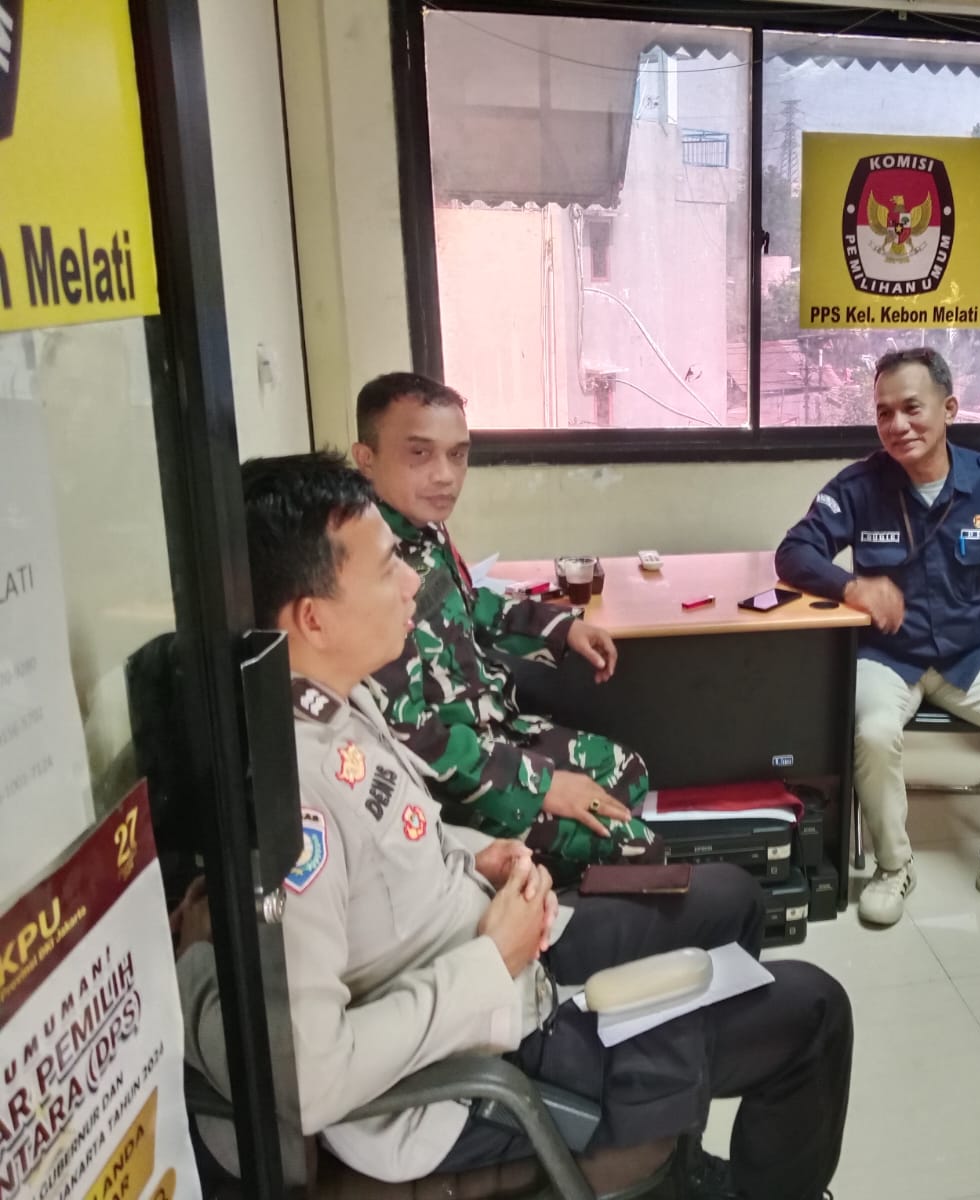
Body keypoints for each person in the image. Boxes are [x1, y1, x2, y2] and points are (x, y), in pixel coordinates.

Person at [175, 452, 851, 1199]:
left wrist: (476, 856)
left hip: (499, 955)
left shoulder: (336, 699)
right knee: (815, 1010)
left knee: (732, 898)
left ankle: (686, 1157)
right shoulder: (293, 802)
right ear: (313, 617)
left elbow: (397, 843)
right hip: (479, 1064)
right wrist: (493, 959)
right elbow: (307, 1079)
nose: (412, 584)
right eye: (387, 569)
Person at [776, 348, 980, 931]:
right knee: (874, 732)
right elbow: (794, 551)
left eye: (912, 408)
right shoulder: (859, 486)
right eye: (884, 413)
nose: (898, 425)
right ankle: (893, 867)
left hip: (968, 657)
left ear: (949, 408)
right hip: (887, 657)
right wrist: (852, 585)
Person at [350, 371, 657, 878]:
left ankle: (559, 879)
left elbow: (469, 605)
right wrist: (541, 786)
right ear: (366, 459)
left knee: (629, 773)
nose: (446, 475)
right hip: (452, 783)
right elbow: (412, 737)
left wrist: (562, 628)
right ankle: (534, 904)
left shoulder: (422, 530)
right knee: (637, 849)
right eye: (420, 453)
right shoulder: (366, 565)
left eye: (458, 454)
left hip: (496, 730)